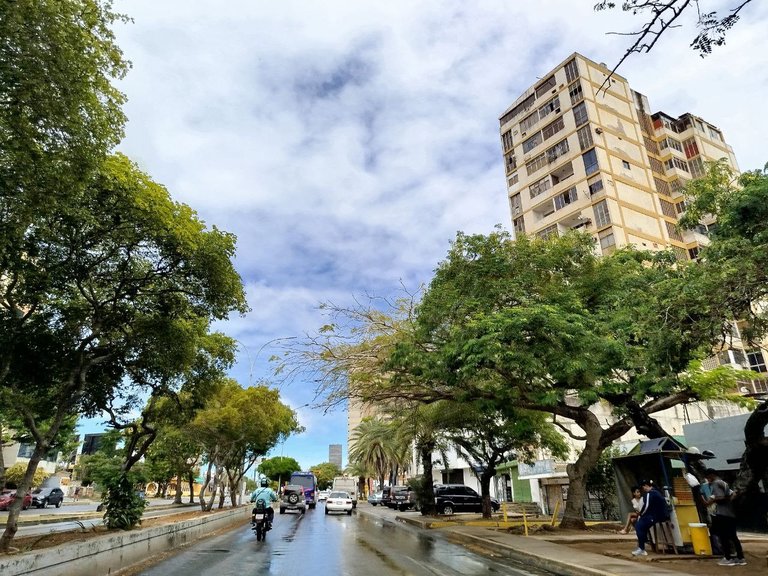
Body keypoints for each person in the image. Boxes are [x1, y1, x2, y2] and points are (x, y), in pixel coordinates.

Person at [702, 469, 746, 567]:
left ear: (711, 475)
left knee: (724, 537)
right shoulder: (724, 483)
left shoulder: (716, 483)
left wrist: (712, 500)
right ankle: (740, 558)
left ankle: (728, 558)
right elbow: (732, 495)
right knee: (733, 536)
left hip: (723, 514)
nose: (708, 480)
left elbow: (721, 498)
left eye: (708, 477)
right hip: (731, 514)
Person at [631, 479, 669, 557]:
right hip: (659, 515)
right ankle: (643, 544)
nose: (643, 489)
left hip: (655, 516)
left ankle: (641, 548)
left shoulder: (650, 494)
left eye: (643, 487)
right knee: (641, 526)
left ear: (646, 486)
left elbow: (646, 506)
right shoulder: (657, 492)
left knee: (639, 526)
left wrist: (641, 514)